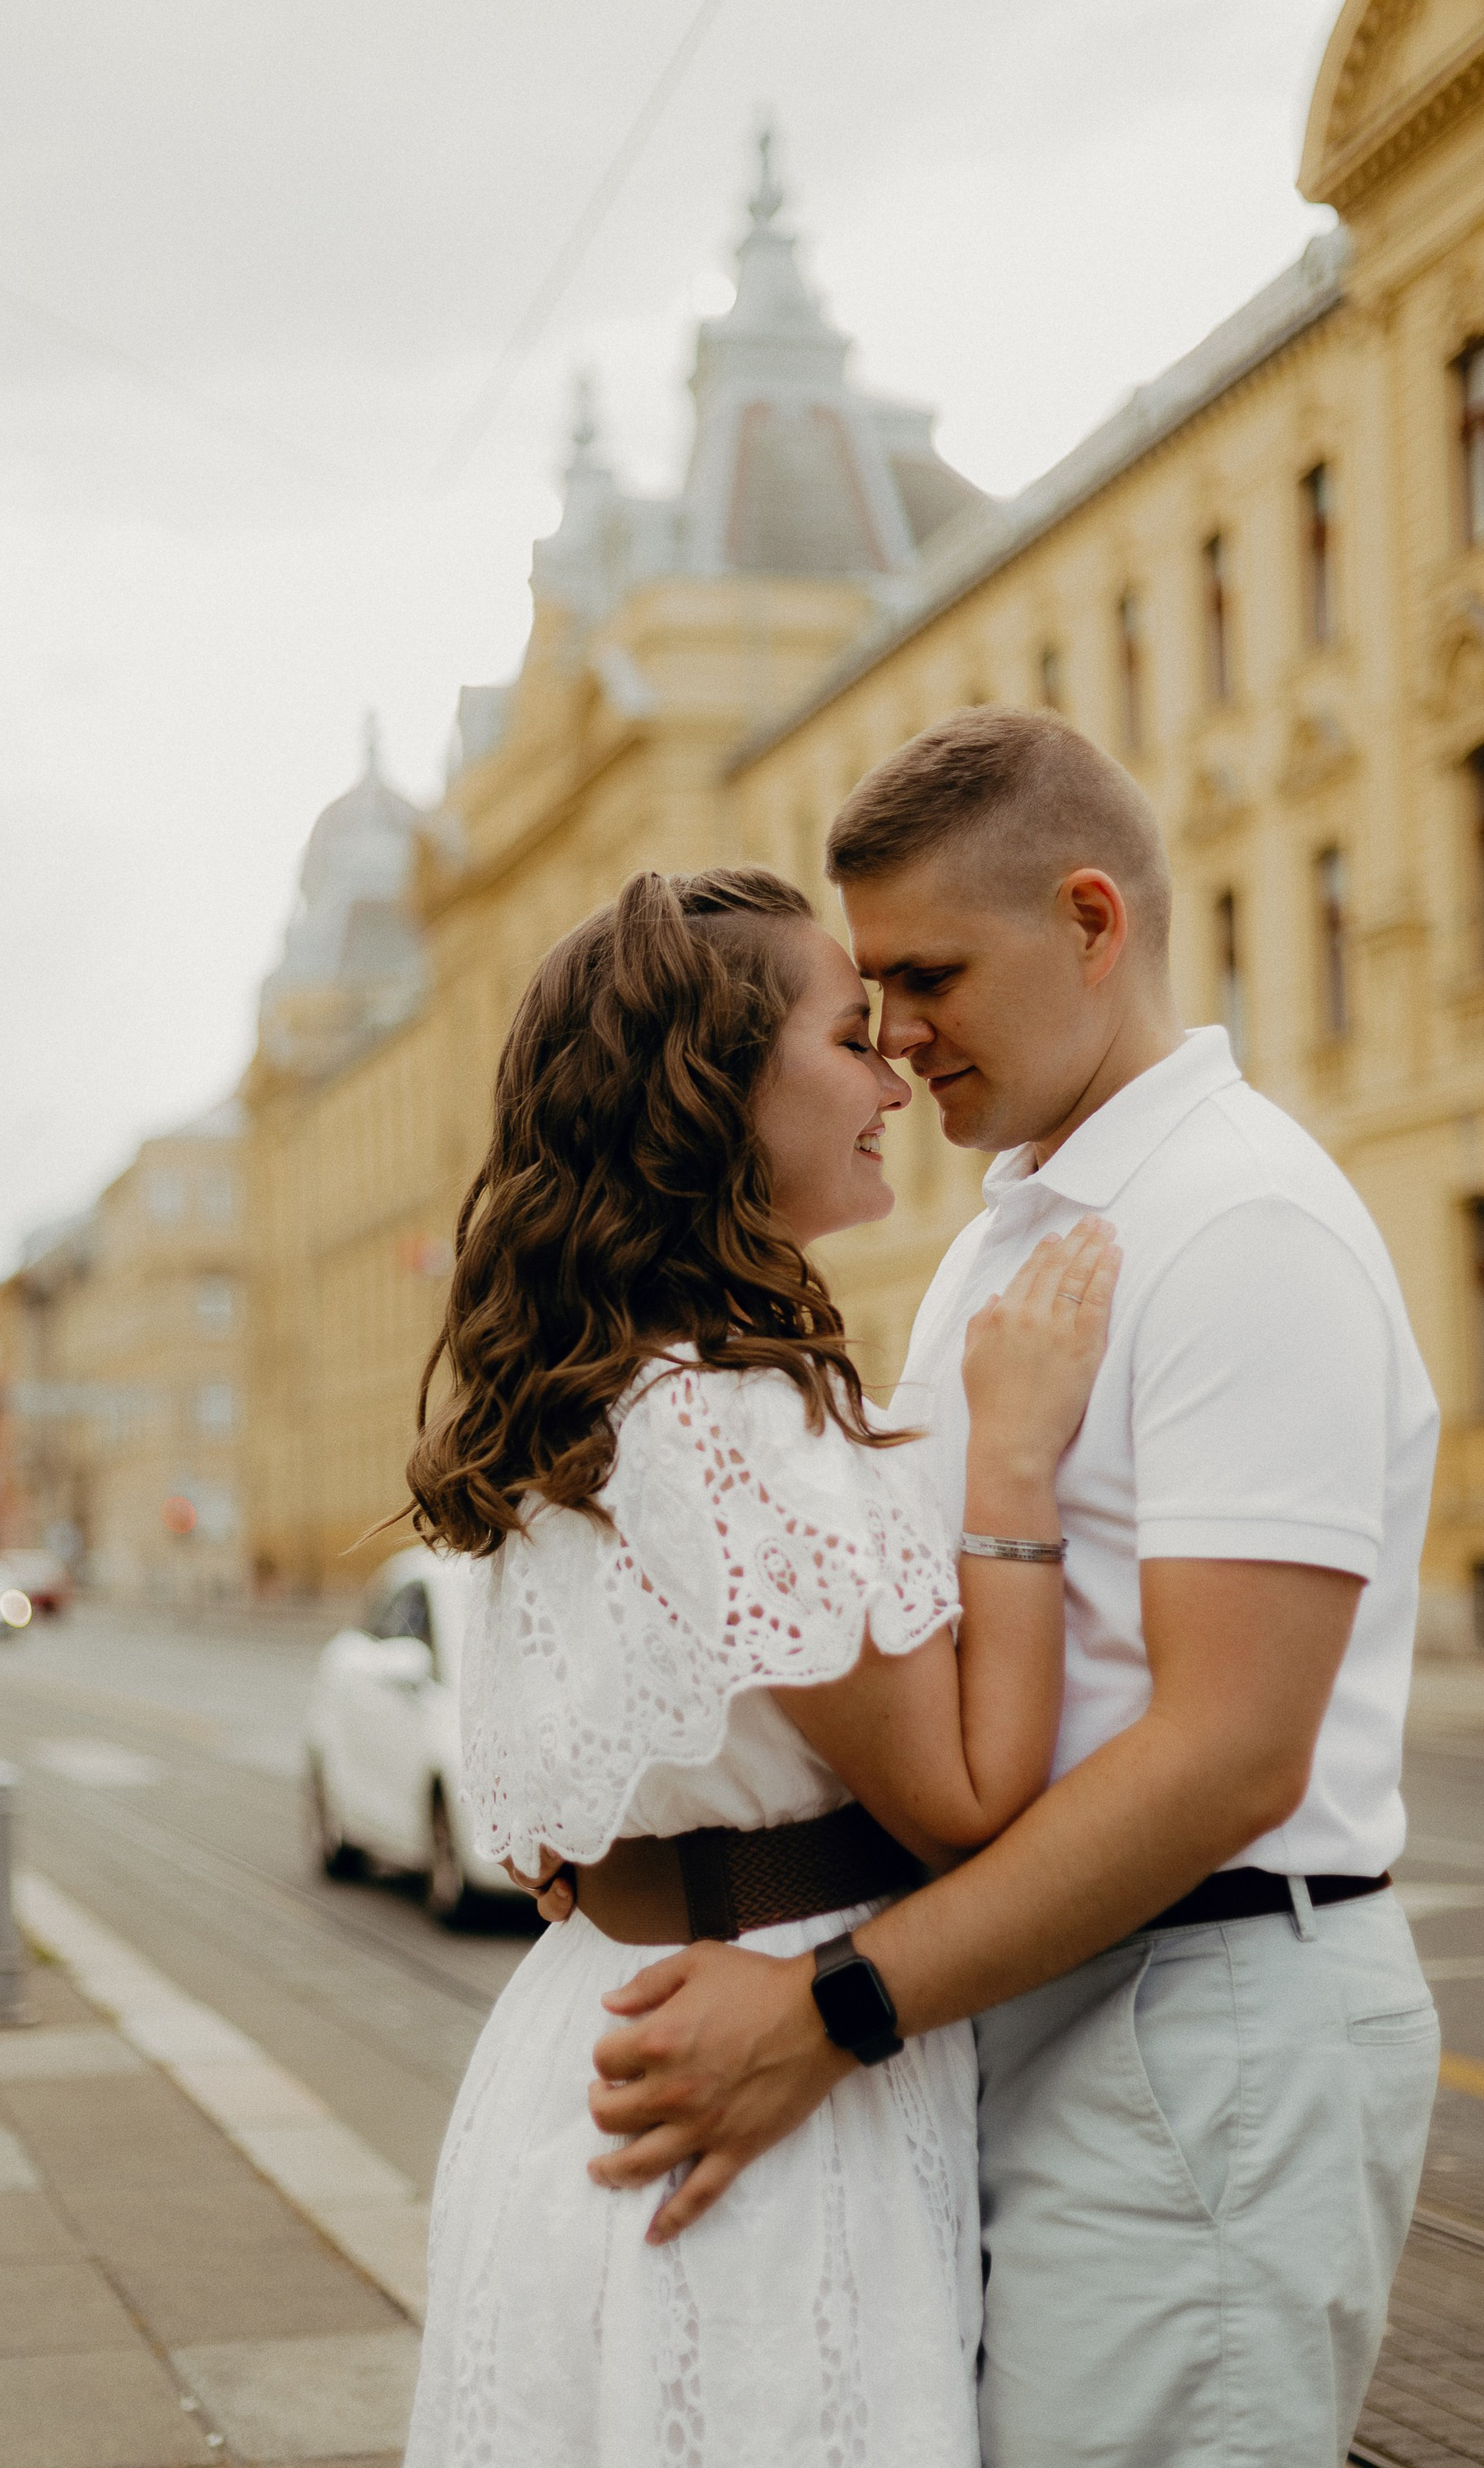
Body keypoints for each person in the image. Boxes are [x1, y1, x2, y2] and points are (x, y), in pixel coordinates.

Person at [569, 709, 1444, 2468]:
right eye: (873, 985)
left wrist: (833, 2008)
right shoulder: (1004, 1233)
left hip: (1201, 2020)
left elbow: (1228, 1756)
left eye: (931, 975)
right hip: (1034, 2007)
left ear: (1091, 923)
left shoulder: (1239, 1222)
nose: (894, 1035)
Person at [401, 863, 1119, 2468]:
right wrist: (1011, 1458)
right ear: (716, 1093)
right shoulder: (733, 1420)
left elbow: (549, 1843)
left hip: (588, 2054)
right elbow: (968, 1802)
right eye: (850, 1038)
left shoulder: (587, 1398)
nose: (893, 1078)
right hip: (748, 2091)